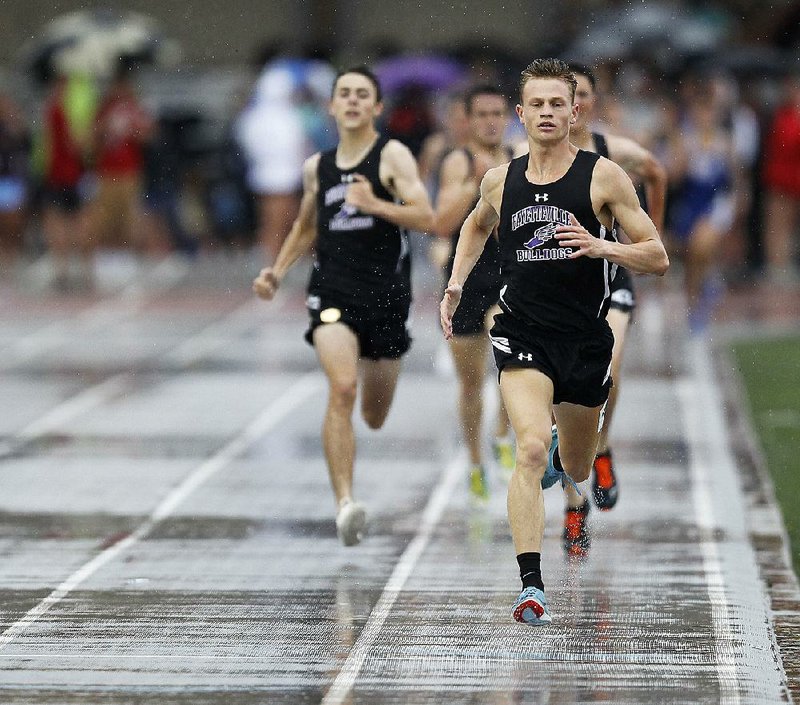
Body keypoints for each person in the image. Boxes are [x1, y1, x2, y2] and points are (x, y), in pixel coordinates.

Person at [440, 58, 668, 624]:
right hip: (522, 333)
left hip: (584, 340)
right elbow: (474, 225)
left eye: (556, 104)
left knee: (578, 465)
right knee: (531, 449)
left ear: (573, 112)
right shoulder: (501, 179)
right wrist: (455, 284)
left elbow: (657, 255)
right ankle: (531, 585)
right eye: (536, 105)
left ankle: (565, 468)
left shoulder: (603, 177)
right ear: (522, 114)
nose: (546, 113)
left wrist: (604, 247)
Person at [253, 66, 433, 546]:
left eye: (362, 95)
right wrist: (277, 270)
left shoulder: (392, 156)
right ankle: (345, 504)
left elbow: (425, 215)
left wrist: (376, 205)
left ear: (376, 107)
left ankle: (349, 489)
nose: (352, 102)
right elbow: (306, 226)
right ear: (331, 107)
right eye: (344, 94)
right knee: (343, 389)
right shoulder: (318, 167)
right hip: (333, 291)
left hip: (388, 296)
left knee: (374, 414)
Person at [558, 63, 668, 557]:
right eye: (566, 95)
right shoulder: (530, 157)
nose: (574, 104)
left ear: (592, 103)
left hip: (609, 276)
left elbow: (656, 170)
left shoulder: (612, 152)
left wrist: (650, 236)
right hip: (555, 288)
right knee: (562, 398)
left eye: (582, 95)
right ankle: (573, 506)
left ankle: (601, 450)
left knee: (610, 369)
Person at [431, 84, 515, 499]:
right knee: (470, 383)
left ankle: (502, 434)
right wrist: (475, 185)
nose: (490, 122)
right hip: (465, 280)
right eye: (481, 114)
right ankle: (475, 462)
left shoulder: (521, 159)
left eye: (497, 113)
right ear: (467, 120)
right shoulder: (456, 162)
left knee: (512, 363)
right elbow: (442, 223)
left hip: (509, 276)